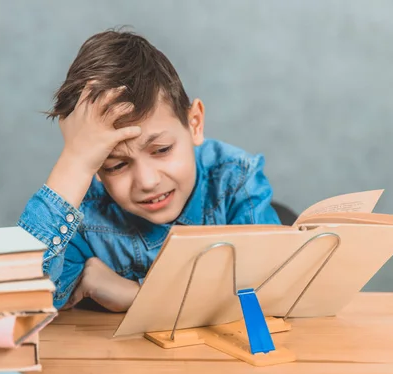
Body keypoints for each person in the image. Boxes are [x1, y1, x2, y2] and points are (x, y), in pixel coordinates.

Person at [17, 28, 280, 312]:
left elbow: (272, 291)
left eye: (162, 150)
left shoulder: (234, 181)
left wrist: (138, 296)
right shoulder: (83, 212)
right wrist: (75, 162)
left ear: (194, 124)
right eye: (116, 165)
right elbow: (19, 302)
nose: (147, 181)